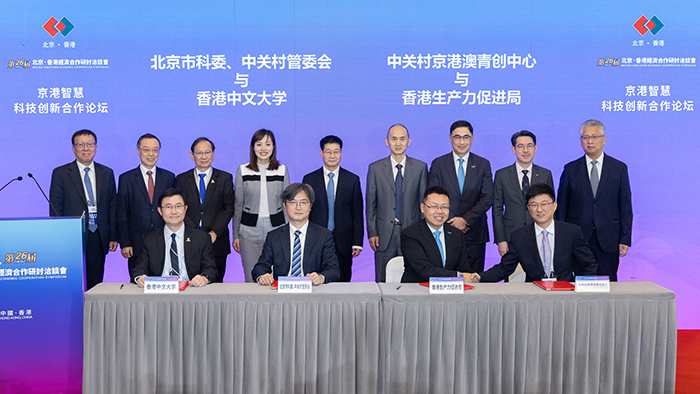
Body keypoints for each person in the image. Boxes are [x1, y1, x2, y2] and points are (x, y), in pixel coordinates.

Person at [471, 183, 597, 283]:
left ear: (555, 206)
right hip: (535, 293)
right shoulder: (519, 236)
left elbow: (588, 264)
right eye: (534, 205)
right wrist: (480, 277)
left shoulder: (572, 232)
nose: (539, 209)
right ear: (529, 208)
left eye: (544, 204)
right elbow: (505, 268)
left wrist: (585, 289)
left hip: (565, 292)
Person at [556, 119, 632, 281]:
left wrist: (625, 238)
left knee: (608, 283)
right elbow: (562, 207)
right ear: (581, 141)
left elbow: (625, 205)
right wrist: (561, 239)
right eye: (585, 137)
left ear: (603, 140)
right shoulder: (570, 169)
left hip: (609, 238)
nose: (590, 141)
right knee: (580, 285)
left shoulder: (619, 168)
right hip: (578, 239)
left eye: (594, 136)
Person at [49, 129, 117, 290]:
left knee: (95, 284)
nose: (86, 148)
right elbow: (55, 208)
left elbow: (112, 205)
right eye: (81, 144)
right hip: (72, 237)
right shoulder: (61, 173)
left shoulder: (106, 173)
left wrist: (114, 235)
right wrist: (60, 238)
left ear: (96, 147)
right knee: (72, 284)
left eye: (90, 144)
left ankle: (92, 315)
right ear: (74, 148)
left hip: (98, 235)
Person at [427, 120, 493, 272]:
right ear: (450, 138)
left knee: (474, 282)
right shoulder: (438, 164)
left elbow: (487, 197)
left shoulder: (483, 164)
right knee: (445, 279)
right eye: (457, 137)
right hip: (444, 231)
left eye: (466, 137)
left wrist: (465, 220)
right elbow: (433, 196)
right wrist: (453, 221)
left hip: (474, 233)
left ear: (472, 138)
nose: (461, 142)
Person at [366, 124, 428, 282]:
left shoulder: (420, 168)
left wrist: (423, 233)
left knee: (411, 279)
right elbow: (371, 204)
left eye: (402, 139)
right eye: (394, 139)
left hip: (412, 231)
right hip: (384, 234)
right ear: (387, 141)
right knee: (382, 279)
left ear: (409, 141)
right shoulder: (375, 168)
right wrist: (372, 232)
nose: (398, 143)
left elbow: (423, 205)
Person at [252, 183, 340, 285]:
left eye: (303, 202)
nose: (298, 208)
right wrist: (262, 276)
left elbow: (333, 270)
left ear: (310, 205)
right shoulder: (274, 236)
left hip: (312, 291)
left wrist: (320, 277)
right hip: (282, 293)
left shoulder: (324, 236)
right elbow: (259, 268)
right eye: (293, 202)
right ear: (285, 205)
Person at [302, 135, 364, 282]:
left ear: (341, 153)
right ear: (321, 153)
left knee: (343, 281)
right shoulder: (309, 179)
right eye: (328, 151)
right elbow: (305, 213)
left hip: (344, 240)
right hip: (316, 240)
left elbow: (357, 213)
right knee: (315, 281)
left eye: (336, 151)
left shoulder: (352, 180)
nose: (332, 155)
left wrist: (357, 242)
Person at [174, 137, 234, 282]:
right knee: (190, 281)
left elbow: (228, 207)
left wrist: (214, 232)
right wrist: (193, 232)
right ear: (192, 155)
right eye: (199, 153)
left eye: (207, 152)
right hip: (189, 238)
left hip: (217, 240)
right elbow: (178, 207)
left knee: (216, 282)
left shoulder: (225, 178)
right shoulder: (181, 179)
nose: (204, 157)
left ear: (213, 154)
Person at [232, 129, 289, 282]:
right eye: (259, 144)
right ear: (253, 147)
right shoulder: (243, 170)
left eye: (268, 144)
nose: (263, 148)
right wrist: (236, 235)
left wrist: (289, 231)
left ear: (273, 147)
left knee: (276, 277)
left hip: (277, 229)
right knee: (252, 276)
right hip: (249, 230)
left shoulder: (281, 169)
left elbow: (287, 204)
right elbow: (238, 204)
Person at [131, 188, 217, 287]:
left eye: (178, 206)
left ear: (185, 209)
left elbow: (211, 269)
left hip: (191, 290)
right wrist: (140, 277)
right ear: (160, 211)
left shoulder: (202, 238)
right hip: (160, 291)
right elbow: (139, 269)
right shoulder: (148, 239)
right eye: (168, 207)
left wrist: (203, 278)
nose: (174, 211)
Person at [116, 133, 175, 275]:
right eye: (146, 149)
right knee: (137, 284)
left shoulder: (169, 177)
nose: (151, 154)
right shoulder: (126, 178)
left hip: (164, 240)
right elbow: (122, 212)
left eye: (155, 150)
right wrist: (125, 243)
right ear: (138, 151)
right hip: (136, 243)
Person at [492, 130, 554, 257]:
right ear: (514, 149)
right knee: (513, 274)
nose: (525, 150)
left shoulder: (545, 174)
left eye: (529, 146)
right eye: (520, 146)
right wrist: (501, 240)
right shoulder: (502, 175)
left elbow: (550, 207)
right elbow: (497, 209)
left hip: (540, 233)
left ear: (535, 148)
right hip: (511, 236)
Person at [400, 186, 474, 283]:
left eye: (444, 207)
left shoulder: (456, 234)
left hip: (449, 291)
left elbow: (464, 268)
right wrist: (458, 276)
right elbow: (425, 270)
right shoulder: (410, 234)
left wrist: (467, 277)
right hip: (417, 290)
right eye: (434, 206)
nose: (439, 211)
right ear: (423, 208)